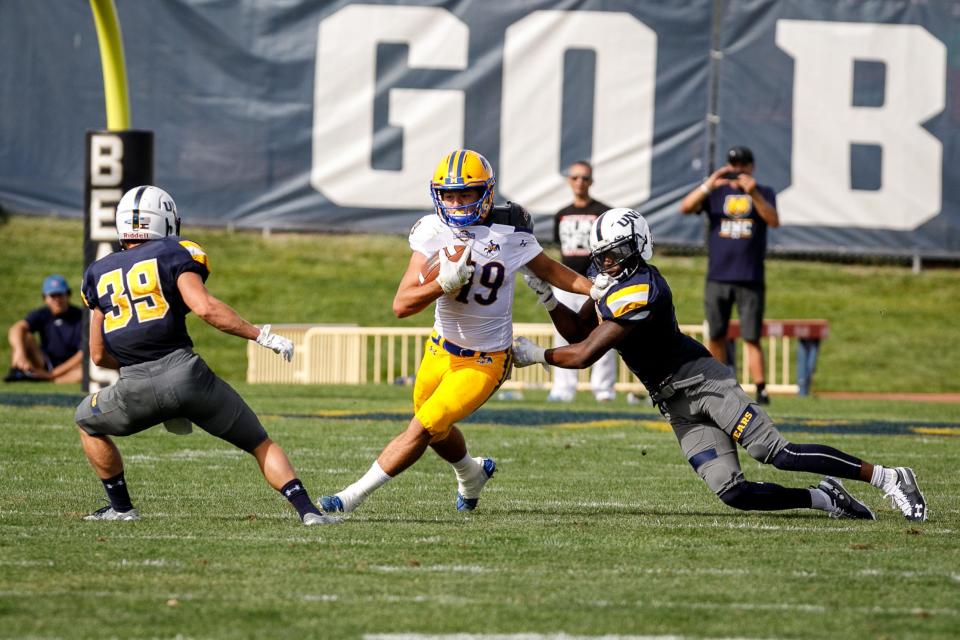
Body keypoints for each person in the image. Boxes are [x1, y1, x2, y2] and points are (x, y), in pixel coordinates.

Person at [513, 208, 927, 522]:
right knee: (733, 492)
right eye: (602, 256)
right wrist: (549, 299)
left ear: (637, 248)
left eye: (615, 254)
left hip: (702, 382)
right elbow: (576, 332)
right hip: (673, 403)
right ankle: (824, 498)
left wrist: (535, 356)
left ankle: (890, 477)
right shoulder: (614, 282)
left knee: (776, 452)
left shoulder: (642, 289)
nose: (606, 264)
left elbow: (584, 354)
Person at [319, 149, 596, 515]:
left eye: (466, 193)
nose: (456, 202)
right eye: (449, 194)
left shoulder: (511, 232)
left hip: (485, 360)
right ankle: (471, 473)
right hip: (439, 350)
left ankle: (350, 498)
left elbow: (554, 272)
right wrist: (442, 284)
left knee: (424, 426)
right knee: (435, 428)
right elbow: (402, 305)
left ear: (486, 193)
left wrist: (597, 289)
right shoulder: (432, 230)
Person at [74, 185, 339, 526]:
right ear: (166, 221)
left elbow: (98, 354)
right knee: (259, 442)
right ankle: (308, 512)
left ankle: (121, 508)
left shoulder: (97, 273)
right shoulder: (175, 251)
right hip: (187, 376)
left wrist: (145, 379)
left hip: (134, 384)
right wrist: (263, 336)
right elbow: (206, 308)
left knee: (87, 421)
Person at [679, 146, 778, 404]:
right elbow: (686, 207)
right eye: (733, 164)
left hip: (750, 276)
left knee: (751, 335)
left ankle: (761, 388)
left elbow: (773, 220)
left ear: (751, 167)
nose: (738, 169)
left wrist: (753, 191)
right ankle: (721, 382)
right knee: (716, 333)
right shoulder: (716, 193)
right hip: (718, 276)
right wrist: (708, 185)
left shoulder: (763, 192)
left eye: (743, 164)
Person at [549, 160, 618, 402]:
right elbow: (560, 247)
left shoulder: (603, 212)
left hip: (597, 281)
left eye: (585, 178)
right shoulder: (562, 214)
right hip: (566, 282)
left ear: (591, 181)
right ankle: (563, 388)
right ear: (569, 180)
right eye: (576, 177)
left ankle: (604, 389)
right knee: (562, 332)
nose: (580, 182)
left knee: (604, 331)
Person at [6, 275, 83, 383]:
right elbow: (16, 328)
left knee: (85, 372)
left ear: (68, 295)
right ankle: (17, 370)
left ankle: (48, 379)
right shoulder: (42, 314)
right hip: (45, 362)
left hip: (72, 366)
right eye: (52, 296)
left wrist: (51, 375)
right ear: (45, 298)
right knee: (26, 337)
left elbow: (83, 353)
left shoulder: (81, 316)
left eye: (60, 295)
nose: (57, 300)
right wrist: (20, 353)